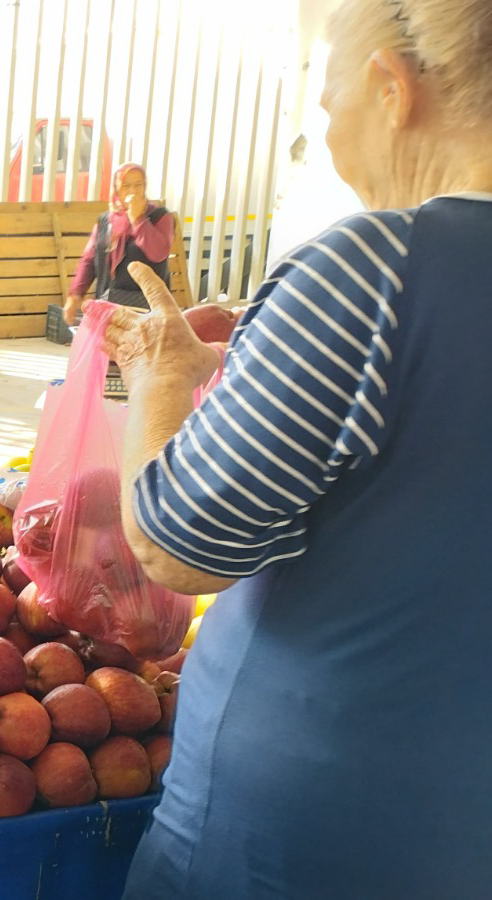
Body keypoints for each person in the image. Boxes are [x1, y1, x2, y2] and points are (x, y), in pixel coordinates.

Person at [102, 1, 492, 897]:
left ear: (392, 88)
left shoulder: (374, 265)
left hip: (322, 833)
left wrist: (162, 378)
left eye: (326, 108)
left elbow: (177, 544)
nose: (328, 136)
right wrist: (249, 367)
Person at [63, 163, 176, 325]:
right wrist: (75, 296)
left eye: (138, 185)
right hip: (110, 307)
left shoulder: (160, 217)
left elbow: (158, 253)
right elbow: (89, 260)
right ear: (116, 189)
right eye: (126, 186)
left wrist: (138, 220)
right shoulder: (106, 221)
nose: (133, 191)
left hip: (148, 312)